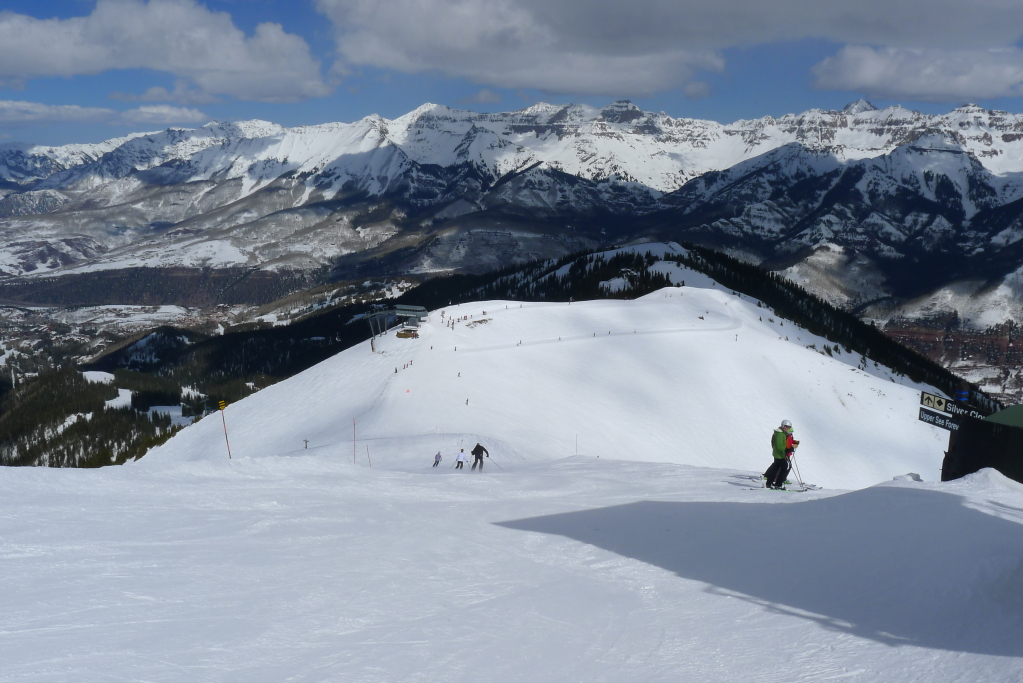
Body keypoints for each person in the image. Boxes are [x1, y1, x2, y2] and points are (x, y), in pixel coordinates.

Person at [765, 420, 799, 489]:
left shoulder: (783, 433)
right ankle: (777, 483)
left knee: (777, 468)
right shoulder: (780, 434)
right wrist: (787, 450)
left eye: (789, 427)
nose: (787, 428)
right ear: (783, 426)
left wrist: (789, 448)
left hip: (779, 454)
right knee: (784, 467)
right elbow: (779, 446)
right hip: (780, 454)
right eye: (786, 426)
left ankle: (770, 483)